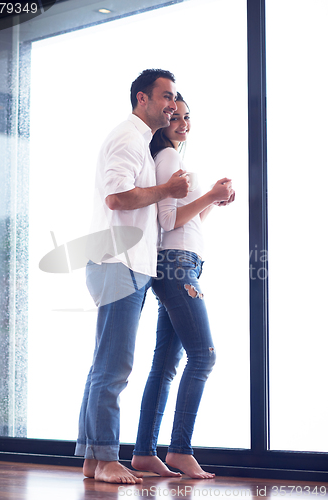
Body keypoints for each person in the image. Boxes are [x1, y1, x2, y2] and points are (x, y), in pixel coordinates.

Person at [75, 70, 189, 484]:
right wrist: (168, 191)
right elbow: (117, 197)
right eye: (165, 96)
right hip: (116, 260)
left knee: (105, 364)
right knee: (114, 365)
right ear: (142, 98)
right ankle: (106, 459)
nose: (172, 104)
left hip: (128, 263)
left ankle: (92, 459)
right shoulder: (127, 137)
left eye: (174, 97)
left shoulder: (139, 140)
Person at [131, 93, 235, 479]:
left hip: (180, 262)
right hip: (177, 267)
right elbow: (169, 222)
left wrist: (213, 201)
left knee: (165, 365)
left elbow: (186, 223)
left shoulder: (174, 159)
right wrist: (208, 193)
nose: (183, 123)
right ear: (163, 119)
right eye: (176, 116)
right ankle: (179, 450)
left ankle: (144, 453)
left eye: (188, 117)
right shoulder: (169, 157)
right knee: (203, 357)